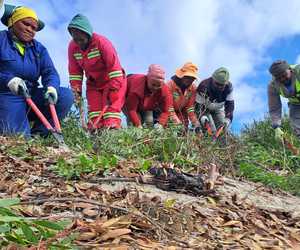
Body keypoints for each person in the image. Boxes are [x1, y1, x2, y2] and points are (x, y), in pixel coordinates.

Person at [0, 4, 73, 137]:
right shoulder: (1, 39)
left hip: (30, 94)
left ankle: (39, 136)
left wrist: (52, 87)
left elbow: (49, 71)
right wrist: (7, 80)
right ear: (13, 22)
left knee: (65, 96)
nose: (30, 29)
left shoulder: (39, 49)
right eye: (26, 24)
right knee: (18, 138)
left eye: (34, 28)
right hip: (7, 94)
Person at [68, 14, 126, 130]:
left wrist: (113, 89)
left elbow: (114, 68)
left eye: (82, 39)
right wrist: (76, 92)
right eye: (76, 39)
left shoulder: (102, 43)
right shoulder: (72, 47)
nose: (79, 42)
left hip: (113, 82)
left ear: (88, 35)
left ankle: (112, 137)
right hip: (93, 84)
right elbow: (75, 72)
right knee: (94, 114)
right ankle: (96, 142)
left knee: (111, 113)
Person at [124, 64, 173, 128]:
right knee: (134, 124)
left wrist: (161, 124)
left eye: (158, 86)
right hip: (130, 102)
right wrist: (138, 125)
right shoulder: (136, 87)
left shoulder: (165, 91)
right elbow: (131, 110)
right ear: (147, 79)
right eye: (153, 85)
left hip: (147, 105)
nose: (155, 88)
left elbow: (166, 110)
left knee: (149, 123)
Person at [195, 67, 234, 134]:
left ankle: (224, 143)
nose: (219, 87)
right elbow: (198, 107)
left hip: (218, 109)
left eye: (221, 85)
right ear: (213, 79)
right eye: (217, 84)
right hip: (204, 109)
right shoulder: (203, 86)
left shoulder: (229, 88)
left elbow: (230, 105)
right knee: (210, 129)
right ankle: (208, 142)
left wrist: (228, 119)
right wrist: (202, 117)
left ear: (226, 83)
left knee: (223, 128)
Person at [268, 60, 300, 140]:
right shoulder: (273, 86)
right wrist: (276, 126)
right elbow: (274, 107)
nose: (282, 79)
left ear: (290, 69)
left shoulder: (298, 71)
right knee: (297, 126)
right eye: (279, 78)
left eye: (284, 75)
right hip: (296, 105)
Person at [167, 62, 200, 129]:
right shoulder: (170, 85)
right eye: (188, 77)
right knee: (170, 129)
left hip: (181, 112)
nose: (190, 80)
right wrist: (177, 122)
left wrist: (195, 122)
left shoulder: (193, 88)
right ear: (181, 75)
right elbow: (168, 107)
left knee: (184, 129)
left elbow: (190, 108)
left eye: (192, 78)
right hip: (167, 112)